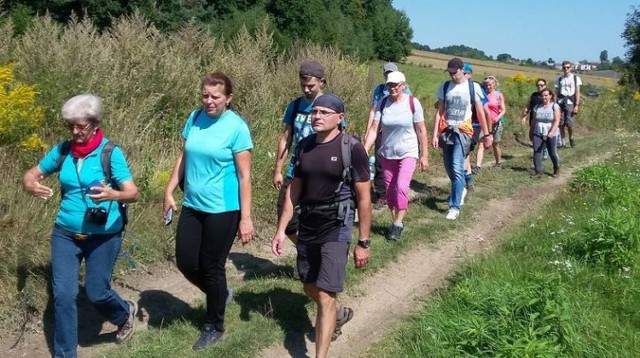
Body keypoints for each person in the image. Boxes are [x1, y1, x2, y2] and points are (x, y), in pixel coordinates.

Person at [22, 93, 139, 357]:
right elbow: (31, 174)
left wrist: (114, 194)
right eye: (70, 126)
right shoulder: (63, 151)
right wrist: (29, 183)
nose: (75, 132)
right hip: (65, 234)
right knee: (63, 296)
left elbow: (134, 193)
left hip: (104, 236)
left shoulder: (110, 153)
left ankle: (123, 314)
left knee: (97, 293)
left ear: (95, 124)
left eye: (81, 126)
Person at [271, 93, 372, 358]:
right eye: (314, 112)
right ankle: (338, 313)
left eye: (324, 113)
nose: (317, 116)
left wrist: (363, 242)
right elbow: (294, 193)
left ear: (340, 118)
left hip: (337, 225)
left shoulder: (352, 148)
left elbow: (364, 198)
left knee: (325, 295)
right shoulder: (303, 146)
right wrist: (282, 229)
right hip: (309, 222)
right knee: (308, 285)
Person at [163, 71, 254, 351]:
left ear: (228, 98)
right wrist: (168, 190)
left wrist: (246, 218)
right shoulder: (195, 118)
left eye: (215, 96)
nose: (209, 101)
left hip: (223, 209)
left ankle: (214, 325)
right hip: (193, 203)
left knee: (212, 266)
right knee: (186, 261)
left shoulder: (237, 127)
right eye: (205, 95)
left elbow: (244, 176)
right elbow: (184, 155)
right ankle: (220, 295)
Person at [273, 60, 326, 276]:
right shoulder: (294, 106)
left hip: (320, 173)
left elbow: (337, 140)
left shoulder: (329, 106)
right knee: (285, 218)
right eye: (303, 84)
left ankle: (314, 259)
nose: (306, 89)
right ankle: (305, 251)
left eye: (311, 85)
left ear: (322, 82)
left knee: (314, 219)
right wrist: (278, 168)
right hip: (294, 171)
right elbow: (286, 137)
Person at [364, 71, 428, 240]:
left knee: (401, 186)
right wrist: (364, 150)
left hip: (408, 151)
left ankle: (398, 224)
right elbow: (373, 129)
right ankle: (395, 222)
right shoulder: (383, 103)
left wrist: (424, 155)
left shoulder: (413, 103)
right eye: (390, 85)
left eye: (396, 85)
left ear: (403, 86)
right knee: (390, 191)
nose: (392, 88)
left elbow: (421, 130)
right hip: (388, 153)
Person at [432, 58, 492, 220]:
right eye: (449, 73)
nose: (452, 75)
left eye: (454, 72)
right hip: (447, 132)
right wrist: (435, 134)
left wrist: (487, 134)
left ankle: (454, 206)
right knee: (449, 169)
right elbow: (440, 112)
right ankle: (461, 189)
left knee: (457, 167)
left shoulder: (473, 88)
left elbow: (480, 112)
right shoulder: (445, 87)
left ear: (461, 70)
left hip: (464, 132)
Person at [365, 62, 412, 209]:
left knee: (397, 163)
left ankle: (398, 190)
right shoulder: (379, 89)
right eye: (386, 73)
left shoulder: (406, 90)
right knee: (379, 162)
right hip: (380, 130)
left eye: (391, 73)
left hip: (399, 133)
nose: (388, 75)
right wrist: (368, 131)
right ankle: (382, 194)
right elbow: (373, 110)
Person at [475, 76, 506, 168]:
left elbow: (503, 109)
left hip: (496, 123)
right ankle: (478, 166)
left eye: (490, 85)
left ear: (494, 84)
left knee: (495, 143)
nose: (488, 87)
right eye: (486, 85)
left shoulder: (498, 95)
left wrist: (498, 117)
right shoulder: (482, 94)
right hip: (483, 122)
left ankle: (498, 162)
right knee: (481, 144)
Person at [530, 88, 561, 178]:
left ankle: (556, 168)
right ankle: (538, 172)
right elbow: (534, 121)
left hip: (551, 131)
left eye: (546, 95)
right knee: (537, 151)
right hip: (538, 131)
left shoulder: (554, 106)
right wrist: (531, 131)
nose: (544, 97)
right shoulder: (537, 107)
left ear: (550, 96)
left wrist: (552, 132)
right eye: (542, 95)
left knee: (552, 152)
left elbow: (556, 120)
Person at [554, 61, 582, 148]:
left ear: (571, 68)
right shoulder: (559, 79)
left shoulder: (576, 78)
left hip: (570, 103)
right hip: (560, 102)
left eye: (568, 67)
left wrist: (576, 105)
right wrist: (554, 105)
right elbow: (556, 93)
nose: (566, 69)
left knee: (569, 123)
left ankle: (571, 137)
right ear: (562, 68)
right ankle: (562, 142)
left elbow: (577, 92)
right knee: (560, 123)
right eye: (564, 67)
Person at [522, 78, 549, 159]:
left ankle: (545, 149)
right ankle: (537, 153)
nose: (539, 86)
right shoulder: (534, 95)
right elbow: (528, 106)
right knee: (535, 136)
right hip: (533, 119)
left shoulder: (548, 95)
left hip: (544, 120)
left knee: (544, 136)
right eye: (538, 85)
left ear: (545, 85)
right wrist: (524, 116)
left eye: (541, 85)